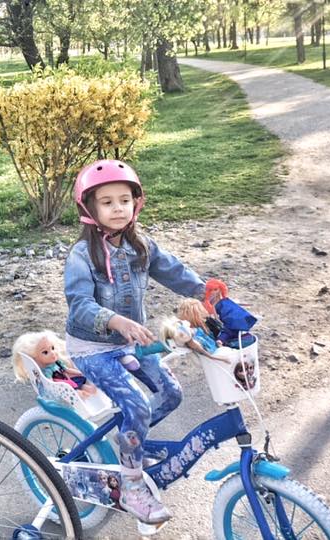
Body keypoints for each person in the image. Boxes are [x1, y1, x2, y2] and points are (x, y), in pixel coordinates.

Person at [63, 159, 221, 526]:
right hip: (92, 349)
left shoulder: (141, 246)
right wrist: (115, 320)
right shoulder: (81, 255)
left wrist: (207, 292)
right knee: (137, 406)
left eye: (125, 200)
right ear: (89, 208)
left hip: (131, 342)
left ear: (137, 203)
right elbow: (80, 304)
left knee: (171, 394)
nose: (118, 208)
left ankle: (129, 441)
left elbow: (173, 271)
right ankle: (131, 486)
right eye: (107, 202)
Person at [11, 330, 96, 398]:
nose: (52, 353)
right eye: (45, 352)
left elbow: (67, 370)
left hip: (67, 380)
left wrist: (80, 372)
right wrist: (54, 389)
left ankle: (86, 390)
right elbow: (50, 383)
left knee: (79, 380)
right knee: (72, 388)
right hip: (61, 386)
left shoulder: (57, 363)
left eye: (52, 348)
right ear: (36, 359)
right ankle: (79, 394)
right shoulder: (47, 370)